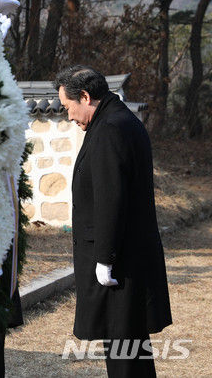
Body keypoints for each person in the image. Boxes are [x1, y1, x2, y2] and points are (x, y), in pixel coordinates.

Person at [55, 65, 172, 377]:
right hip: (130, 254)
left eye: (68, 107)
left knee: (124, 349)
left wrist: (105, 259)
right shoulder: (120, 120)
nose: (68, 116)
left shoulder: (109, 128)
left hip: (121, 262)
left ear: (85, 96)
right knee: (130, 347)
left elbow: (111, 198)